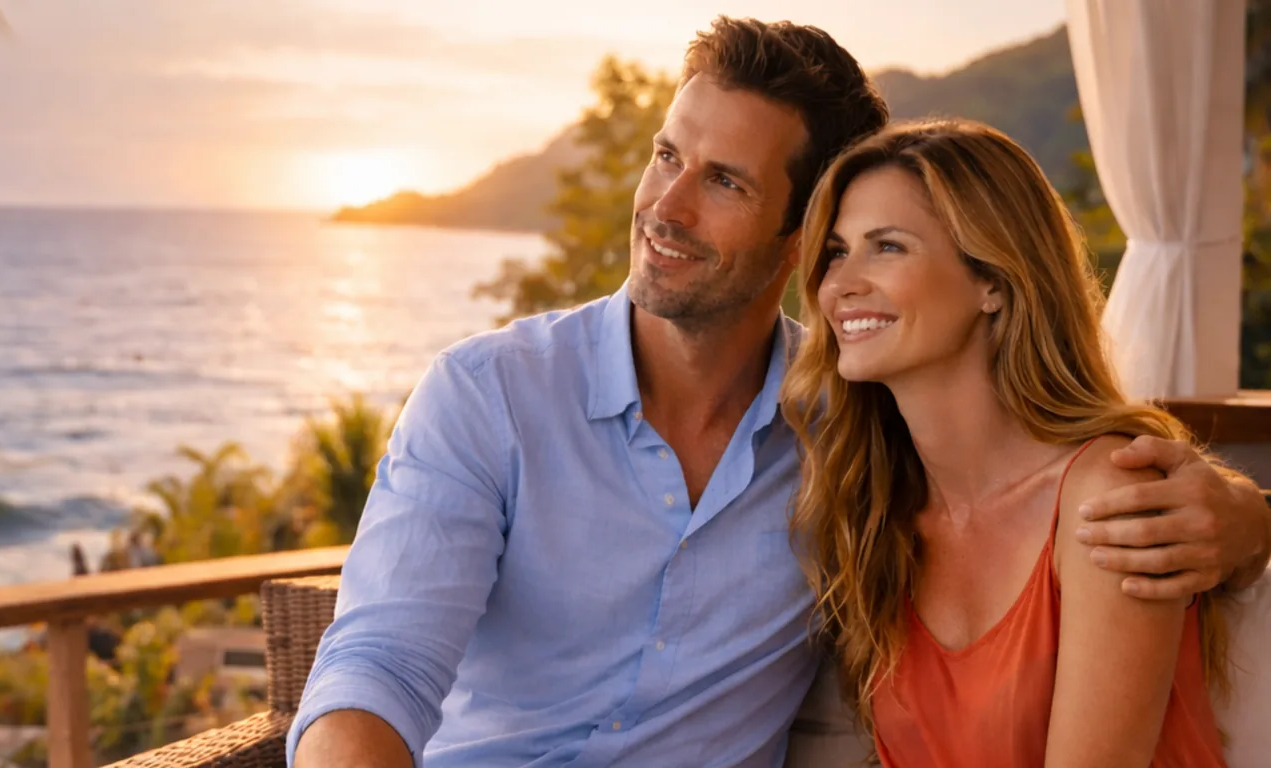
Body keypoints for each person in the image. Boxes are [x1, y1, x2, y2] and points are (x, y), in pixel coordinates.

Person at [288, 17, 1271, 768]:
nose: (665, 208)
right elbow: (379, 661)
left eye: (725, 182)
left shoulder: (846, 437)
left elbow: (1045, 487)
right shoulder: (490, 396)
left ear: (796, 242)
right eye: (667, 157)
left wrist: (1240, 518)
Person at [786, 120, 1228, 766]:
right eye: (835, 251)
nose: (840, 284)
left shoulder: (1104, 497)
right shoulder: (879, 512)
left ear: (992, 280)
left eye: (887, 247)